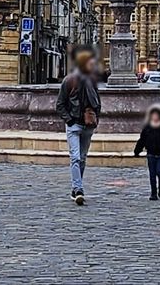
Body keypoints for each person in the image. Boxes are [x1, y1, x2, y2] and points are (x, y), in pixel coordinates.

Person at [57, 47, 102, 206]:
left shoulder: (91, 81)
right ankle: (78, 189)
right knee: (75, 157)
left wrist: (96, 118)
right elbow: (60, 104)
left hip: (88, 125)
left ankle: (76, 187)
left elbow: (97, 102)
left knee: (82, 159)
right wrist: (69, 120)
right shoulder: (69, 81)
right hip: (74, 125)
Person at [134, 104, 160, 200]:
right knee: (152, 175)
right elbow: (142, 140)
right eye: (153, 115)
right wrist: (137, 151)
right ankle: (153, 193)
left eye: (156, 115)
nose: (155, 117)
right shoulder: (147, 128)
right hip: (150, 154)